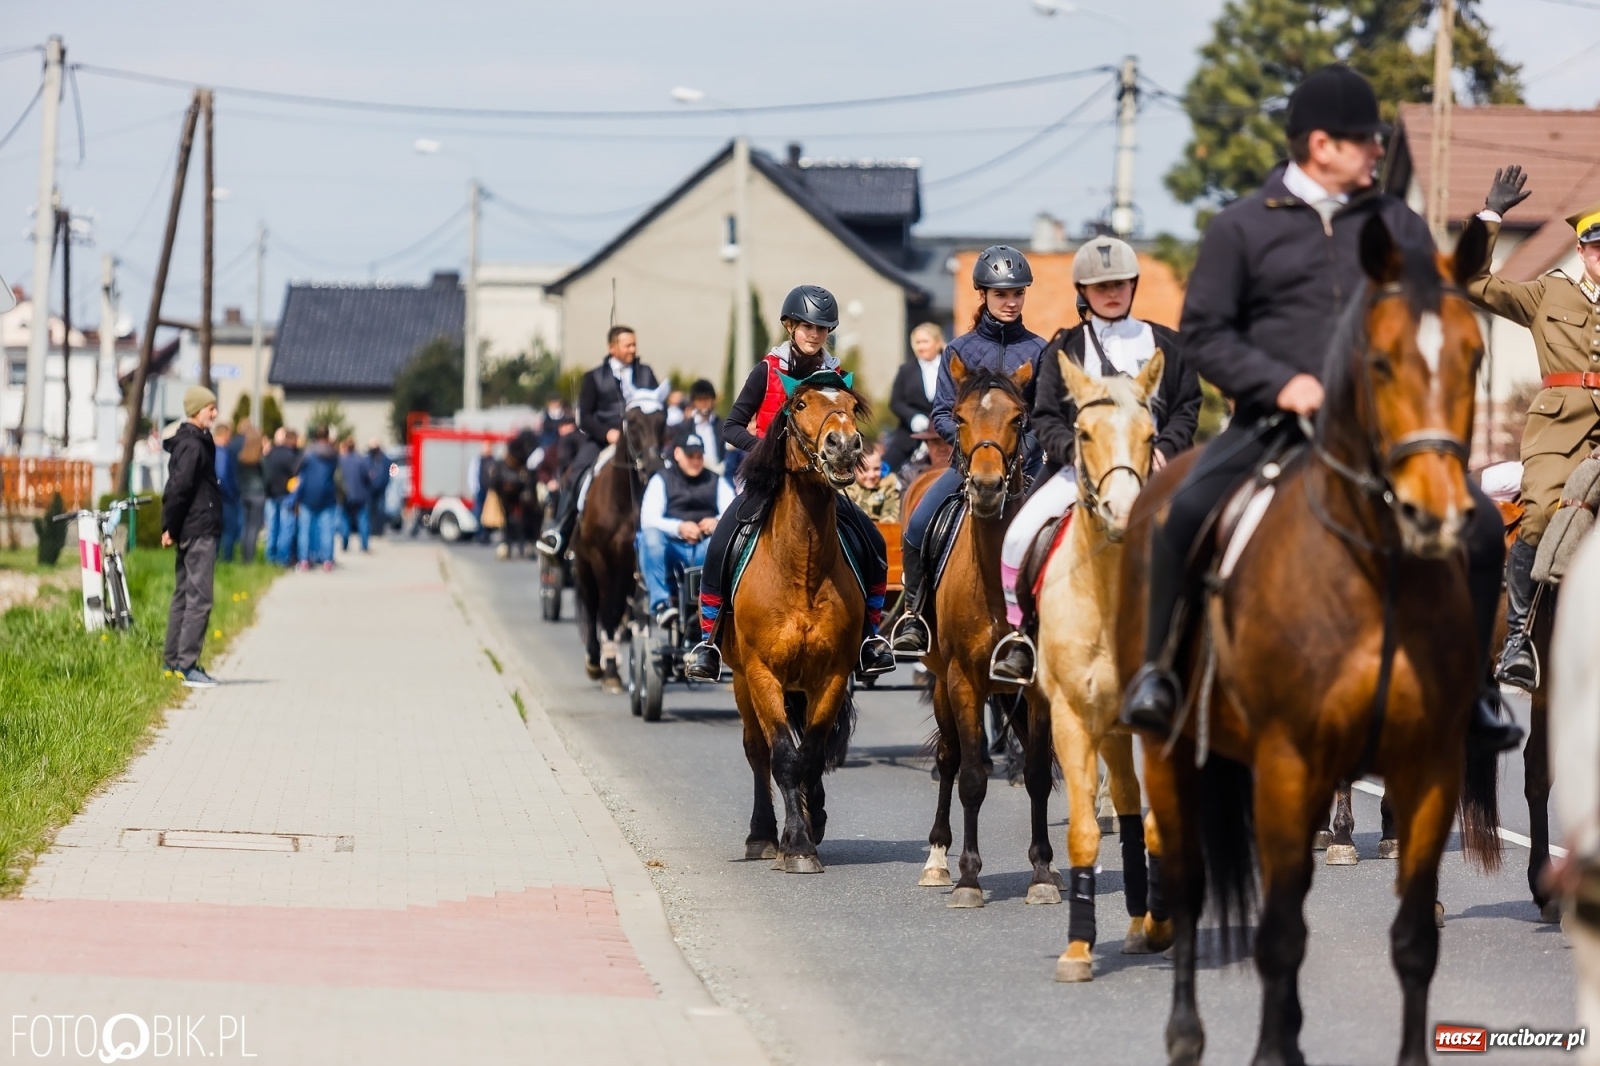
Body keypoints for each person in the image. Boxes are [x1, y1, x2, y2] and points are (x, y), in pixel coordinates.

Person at [1118, 64, 1522, 753]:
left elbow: (1436, 302)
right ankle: (1158, 674)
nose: (1377, 152)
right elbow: (1207, 334)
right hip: (1271, 425)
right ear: (1320, 146)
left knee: (1482, 527)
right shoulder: (1241, 227)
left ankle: (1477, 694)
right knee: (1178, 513)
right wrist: (1281, 384)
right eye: (1367, 141)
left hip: (1383, 433)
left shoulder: (1397, 221)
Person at [991, 236, 1203, 683]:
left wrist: (1166, 449)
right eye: (1101, 285)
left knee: (1205, 535)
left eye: (1121, 283)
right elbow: (1046, 414)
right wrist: (1078, 455)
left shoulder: (1167, 343)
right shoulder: (1066, 347)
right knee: (1018, 535)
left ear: (1133, 286)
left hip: (1152, 470)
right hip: (1079, 472)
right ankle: (1020, 636)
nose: (1112, 292)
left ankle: (1202, 638)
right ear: (1083, 291)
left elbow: (1187, 404)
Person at [684, 284, 896, 682]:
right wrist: (767, 449)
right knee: (721, 542)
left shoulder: (834, 375)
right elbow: (731, 426)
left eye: (822, 329)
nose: (815, 335)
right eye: (807, 327)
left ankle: (870, 637)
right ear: (789, 326)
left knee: (873, 540)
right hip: (768, 481)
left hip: (821, 485)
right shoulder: (766, 370)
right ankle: (708, 640)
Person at [1465, 168, 1600, 690]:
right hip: (1560, 430)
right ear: (1583, 251)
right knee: (1543, 514)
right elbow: (1473, 282)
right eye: (1596, 248)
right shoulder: (1549, 293)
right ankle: (1520, 641)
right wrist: (1490, 217)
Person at [890, 245, 1045, 680]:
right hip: (969, 466)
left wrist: (1022, 452)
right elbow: (942, 410)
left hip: (1024, 469)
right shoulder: (959, 350)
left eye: (1017, 293)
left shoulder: (1038, 350)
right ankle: (916, 617)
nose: (1010, 301)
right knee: (919, 523)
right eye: (1001, 294)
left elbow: (1048, 415)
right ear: (983, 294)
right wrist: (970, 448)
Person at [536, 326, 660, 558]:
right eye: (627, 345)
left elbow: (655, 407)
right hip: (603, 440)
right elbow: (585, 417)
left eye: (634, 344)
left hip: (640, 442)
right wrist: (608, 434)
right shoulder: (593, 378)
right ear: (612, 348)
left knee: (667, 472)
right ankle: (560, 530)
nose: (633, 349)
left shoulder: (646, 373)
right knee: (576, 474)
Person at [638, 431, 736, 627]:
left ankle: (714, 605)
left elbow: (732, 511)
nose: (695, 461)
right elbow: (648, 519)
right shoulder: (661, 480)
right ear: (677, 454)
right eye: (690, 456)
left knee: (720, 544)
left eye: (699, 456)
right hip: (671, 547)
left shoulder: (716, 481)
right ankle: (661, 605)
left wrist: (717, 522)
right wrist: (679, 528)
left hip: (704, 546)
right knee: (649, 538)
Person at [160, 386, 223, 689]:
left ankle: (172, 662)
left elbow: (178, 489)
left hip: (190, 527)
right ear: (197, 410)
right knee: (199, 598)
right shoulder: (194, 446)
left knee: (183, 595)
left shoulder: (192, 442)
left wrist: (171, 527)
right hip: (198, 529)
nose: (215, 413)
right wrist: (169, 526)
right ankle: (187, 665)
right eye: (211, 408)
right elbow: (178, 490)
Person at [885, 322, 945, 472]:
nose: (921, 347)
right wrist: (913, 417)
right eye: (917, 342)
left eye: (925, 342)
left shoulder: (951, 367)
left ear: (937, 343)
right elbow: (896, 402)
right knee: (885, 467)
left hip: (945, 434)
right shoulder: (906, 370)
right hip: (910, 434)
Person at [294, 427, 340, 572]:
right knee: (327, 530)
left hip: (308, 495)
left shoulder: (308, 452)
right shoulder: (333, 453)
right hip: (327, 495)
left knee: (305, 530)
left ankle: (304, 561)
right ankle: (327, 561)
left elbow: (296, 469)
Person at [262, 427, 301, 566]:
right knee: (286, 527)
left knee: (272, 527)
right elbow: (296, 476)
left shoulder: (271, 452)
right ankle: (283, 558)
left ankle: (270, 556)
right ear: (293, 440)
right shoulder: (291, 456)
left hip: (270, 494)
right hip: (286, 495)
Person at [844, 439, 902, 522]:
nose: (871, 475)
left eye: (876, 469)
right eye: (865, 469)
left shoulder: (888, 487)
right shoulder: (845, 488)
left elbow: (890, 519)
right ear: (854, 468)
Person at [235, 421, 266, 563]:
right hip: (257, 494)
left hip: (244, 493)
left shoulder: (241, 459)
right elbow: (267, 476)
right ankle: (250, 557)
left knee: (245, 526)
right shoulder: (259, 460)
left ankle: (243, 555)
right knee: (254, 527)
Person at [680, 379, 725, 473]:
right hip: (695, 473)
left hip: (719, 473)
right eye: (700, 400)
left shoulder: (722, 425)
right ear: (693, 402)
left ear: (713, 400)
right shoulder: (685, 427)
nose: (704, 404)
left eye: (707, 399)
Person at [213, 421, 242, 562]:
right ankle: (226, 559)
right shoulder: (223, 453)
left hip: (214, 497)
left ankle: (215, 557)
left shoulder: (211, 450)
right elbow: (223, 476)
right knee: (229, 529)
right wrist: (231, 493)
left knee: (216, 530)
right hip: (226, 497)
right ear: (224, 435)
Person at [338, 437, 373, 552]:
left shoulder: (341, 460)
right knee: (362, 519)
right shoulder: (361, 460)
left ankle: (345, 543)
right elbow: (367, 477)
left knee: (345, 519)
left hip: (345, 495)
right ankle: (364, 545)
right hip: (360, 495)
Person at [365, 439, 393, 539]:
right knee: (371, 510)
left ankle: (379, 530)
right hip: (371, 490)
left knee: (380, 510)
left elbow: (387, 475)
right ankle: (373, 530)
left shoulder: (385, 459)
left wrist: (382, 484)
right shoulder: (368, 459)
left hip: (381, 489)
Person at [472, 441, 496, 545]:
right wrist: (475, 489)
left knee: (488, 515)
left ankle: (486, 535)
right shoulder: (478, 460)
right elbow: (473, 475)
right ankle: (479, 534)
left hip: (490, 492)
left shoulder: (494, 461)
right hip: (480, 491)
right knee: (478, 513)